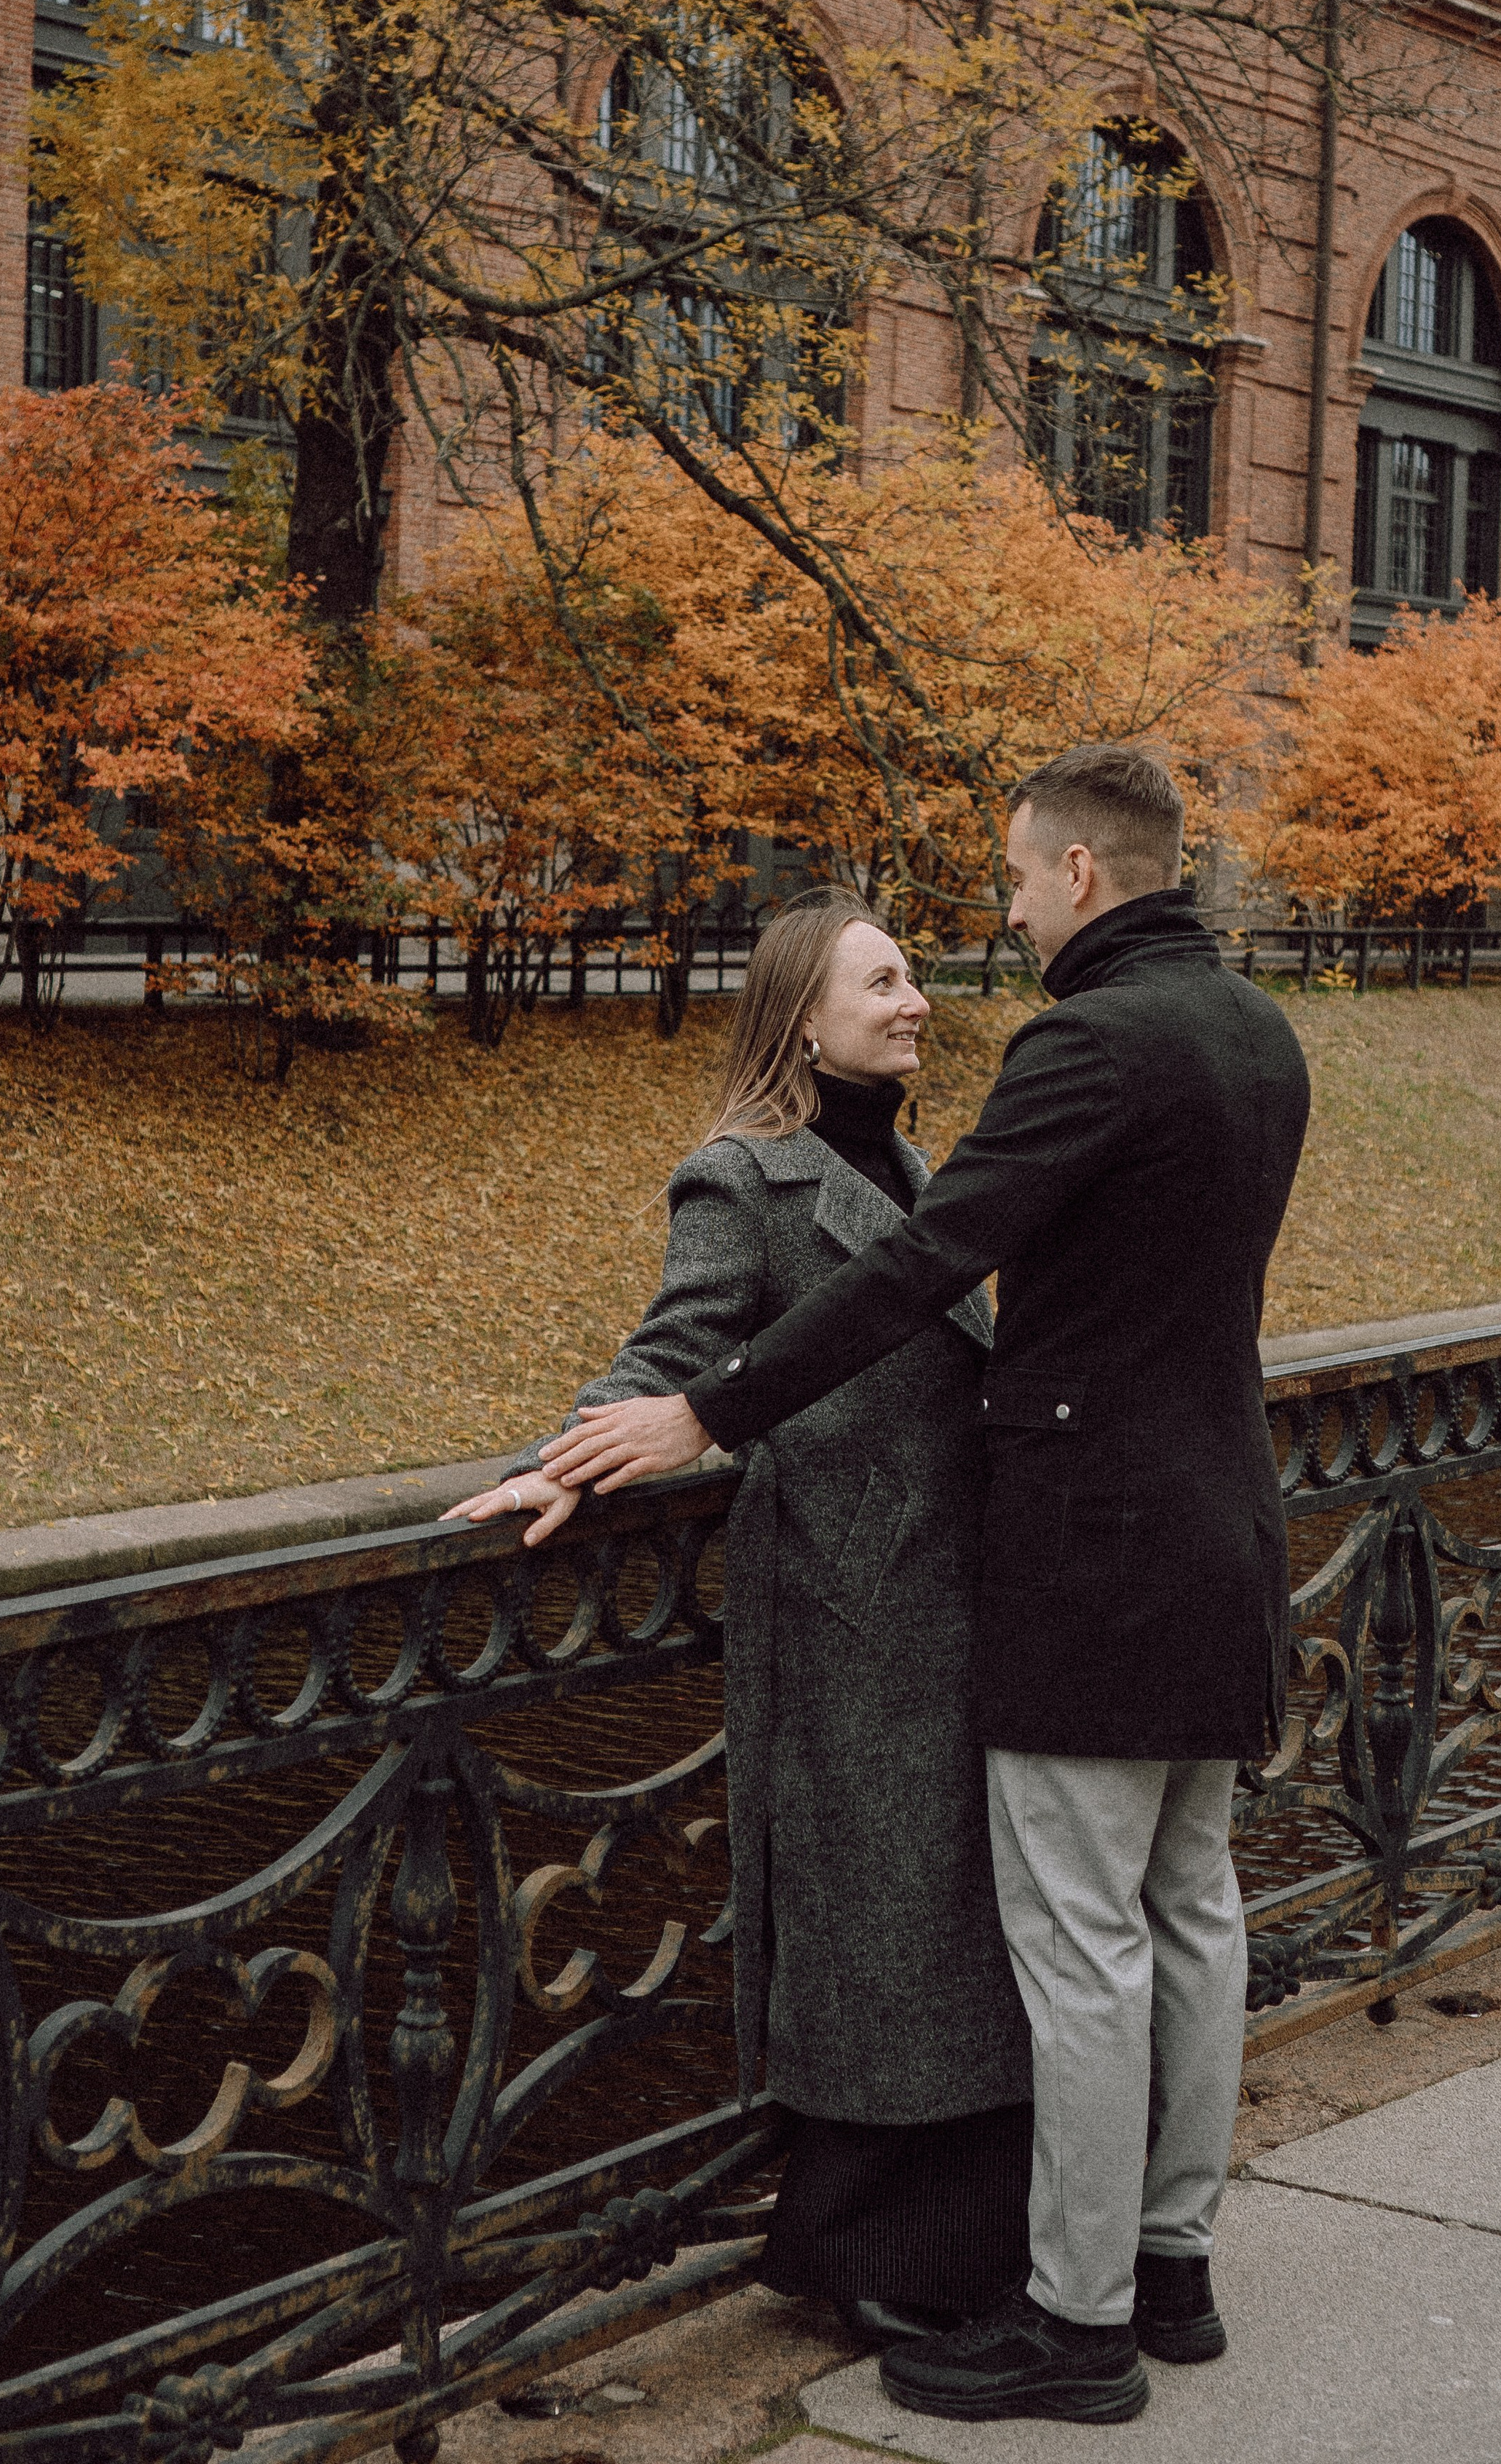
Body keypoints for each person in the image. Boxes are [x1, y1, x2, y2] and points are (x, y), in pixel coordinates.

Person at [536, 745, 1312, 2427]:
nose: (1004, 913)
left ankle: (1077, 2321)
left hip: (1086, 1571)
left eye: (1017, 879)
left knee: (1091, 1948)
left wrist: (705, 1414)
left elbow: (920, 1262)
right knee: (1192, 1916)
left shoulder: (1088, 1041)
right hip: (1222, 1535)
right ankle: (1169, 2270)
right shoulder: (1254, 1031)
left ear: (1082, 875)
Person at [445, 888, 1033, 2345]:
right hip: (848, 1611)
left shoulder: (901, 1157)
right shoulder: (740, 1176)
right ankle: (859, 2257)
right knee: (879, 1943)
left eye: (912, 981)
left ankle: (934, 2245)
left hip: (945, 1603)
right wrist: (562, 1462)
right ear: (802, 1015)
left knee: (940, 1935)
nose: (913, 1002)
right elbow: (672, 1351)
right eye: (883, 983)